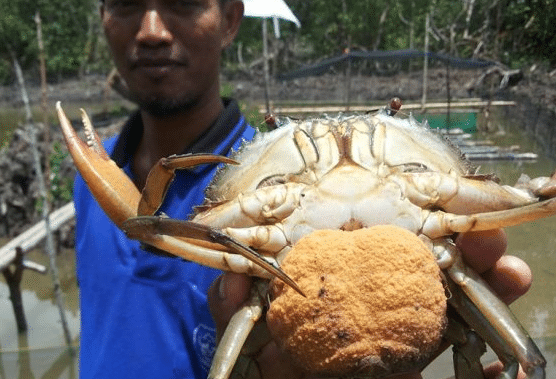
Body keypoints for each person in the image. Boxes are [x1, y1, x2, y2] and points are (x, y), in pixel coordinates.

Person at [73, 0, 534, 378]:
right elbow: (148, 226)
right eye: (127, 3)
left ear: (231, 18)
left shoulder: (243, 185)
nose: (152, 30)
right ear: (101, 18)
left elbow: (528, 200)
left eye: (184, 2)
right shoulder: (96, 181)